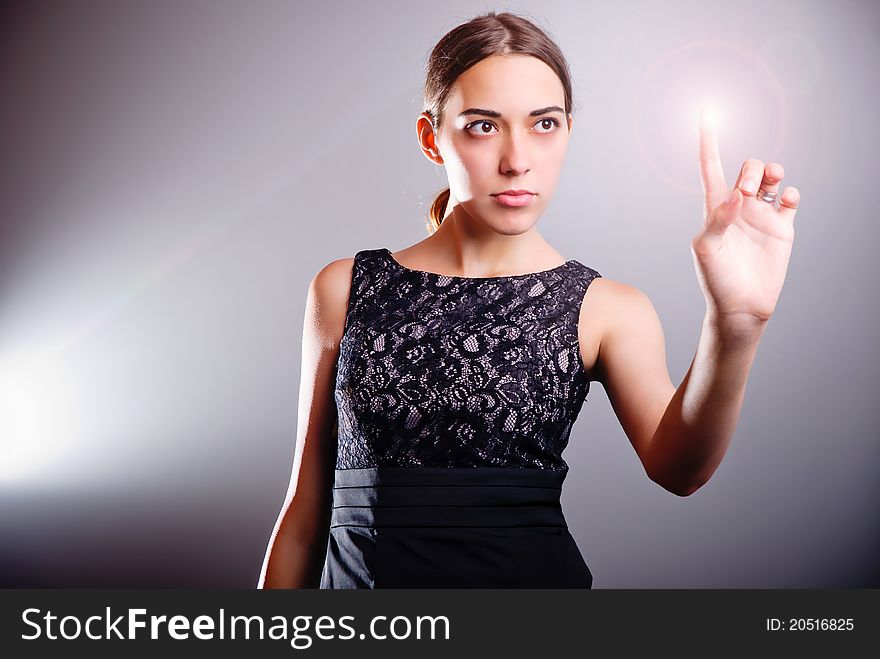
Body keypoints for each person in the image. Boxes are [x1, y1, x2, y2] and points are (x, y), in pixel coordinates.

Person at [258, 11, 800, 589]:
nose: (518, 159)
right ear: (430, 137)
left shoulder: (606, 308)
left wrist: (735, 322)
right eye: (483, 126)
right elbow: (303, 515)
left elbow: (680, 470)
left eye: (543, 124)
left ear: (568, 130)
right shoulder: (344, 288)